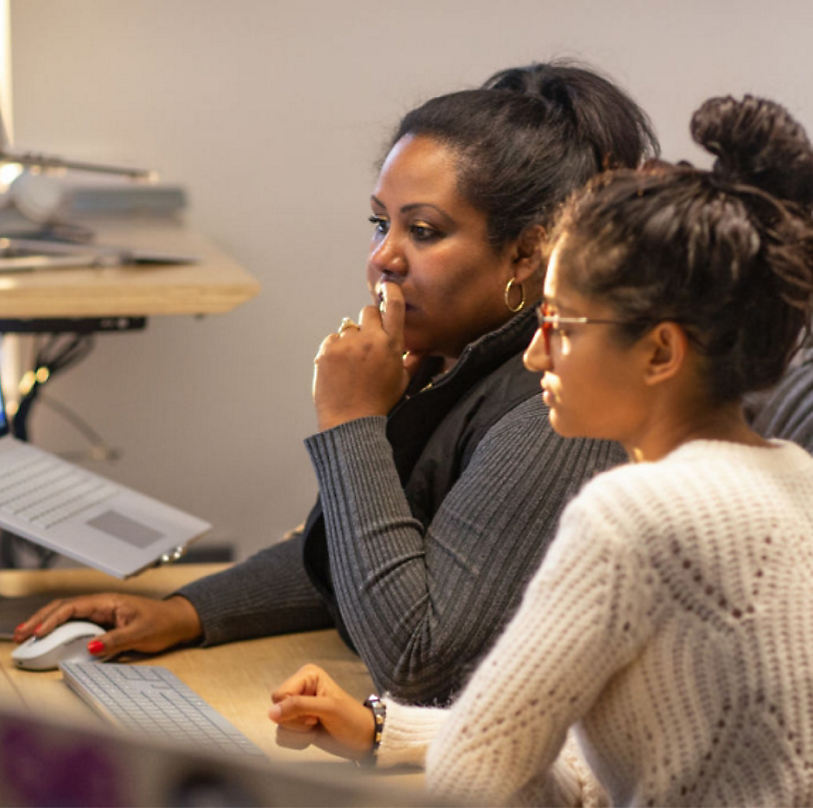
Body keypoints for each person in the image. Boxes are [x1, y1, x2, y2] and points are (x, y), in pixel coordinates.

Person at [15, 61, 658, 705]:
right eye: (382, 223)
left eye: (424, 231)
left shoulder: (553, 412)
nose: (385, 256)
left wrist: (353, 424)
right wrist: (187, 612)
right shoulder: (459, 361)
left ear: (524, 254)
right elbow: (362, 562)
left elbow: (418, 665)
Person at [268, 94, 813, 807]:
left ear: (658, 351)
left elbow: (475, 776)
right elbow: (665, 746)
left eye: (559, 324)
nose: (533, 353)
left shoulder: (627, 514)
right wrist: (388, 733)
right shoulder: (793, 475)